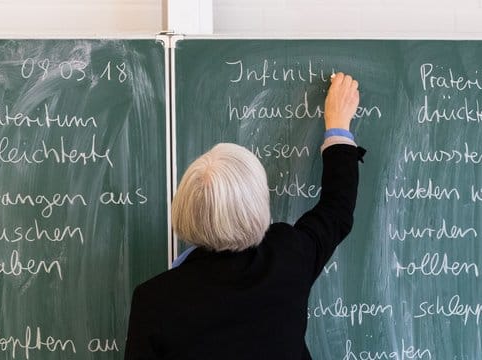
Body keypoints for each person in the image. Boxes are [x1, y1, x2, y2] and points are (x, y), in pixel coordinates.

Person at [124, 72, 364, 359]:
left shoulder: (154, 300)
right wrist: (338, 126)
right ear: (258, 206)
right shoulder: (288, 257)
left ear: (185, 208)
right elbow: (336, 209)